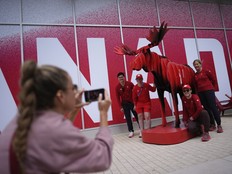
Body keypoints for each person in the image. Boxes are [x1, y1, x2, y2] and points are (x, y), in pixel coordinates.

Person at [0, 60, 114, 174]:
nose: (76, 92)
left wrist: (74, 110)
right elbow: (102, 158)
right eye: (72, 88)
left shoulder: (22, 120)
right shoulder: (53, 129)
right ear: (60, 95)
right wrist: (103, 113)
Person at [193, 59, 223, 133]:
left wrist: (211, 88)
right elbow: (196, 85)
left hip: (209, 91)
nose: (196, 66)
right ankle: (212, 124)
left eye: (197, 64)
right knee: (207, 108)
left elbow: (213, 80)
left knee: (213, 107)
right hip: (201, 93)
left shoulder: (206, 71)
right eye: (195, 65)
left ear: (200, 64)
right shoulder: (195, 75)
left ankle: (219, 125)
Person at [115, 72, 139, 138]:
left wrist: (135, 103)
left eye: (122, 77)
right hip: (125, 104)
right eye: (119, 77)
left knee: (137, 115)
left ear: (124, 77)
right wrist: (121, 107)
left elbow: (135, 93)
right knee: (128, 118)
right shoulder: (117, 87)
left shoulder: (130, 84)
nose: (121, 78)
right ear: (118, 79)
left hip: (132, 103)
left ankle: (141, 129)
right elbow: (117, 98)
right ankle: (131, 131)